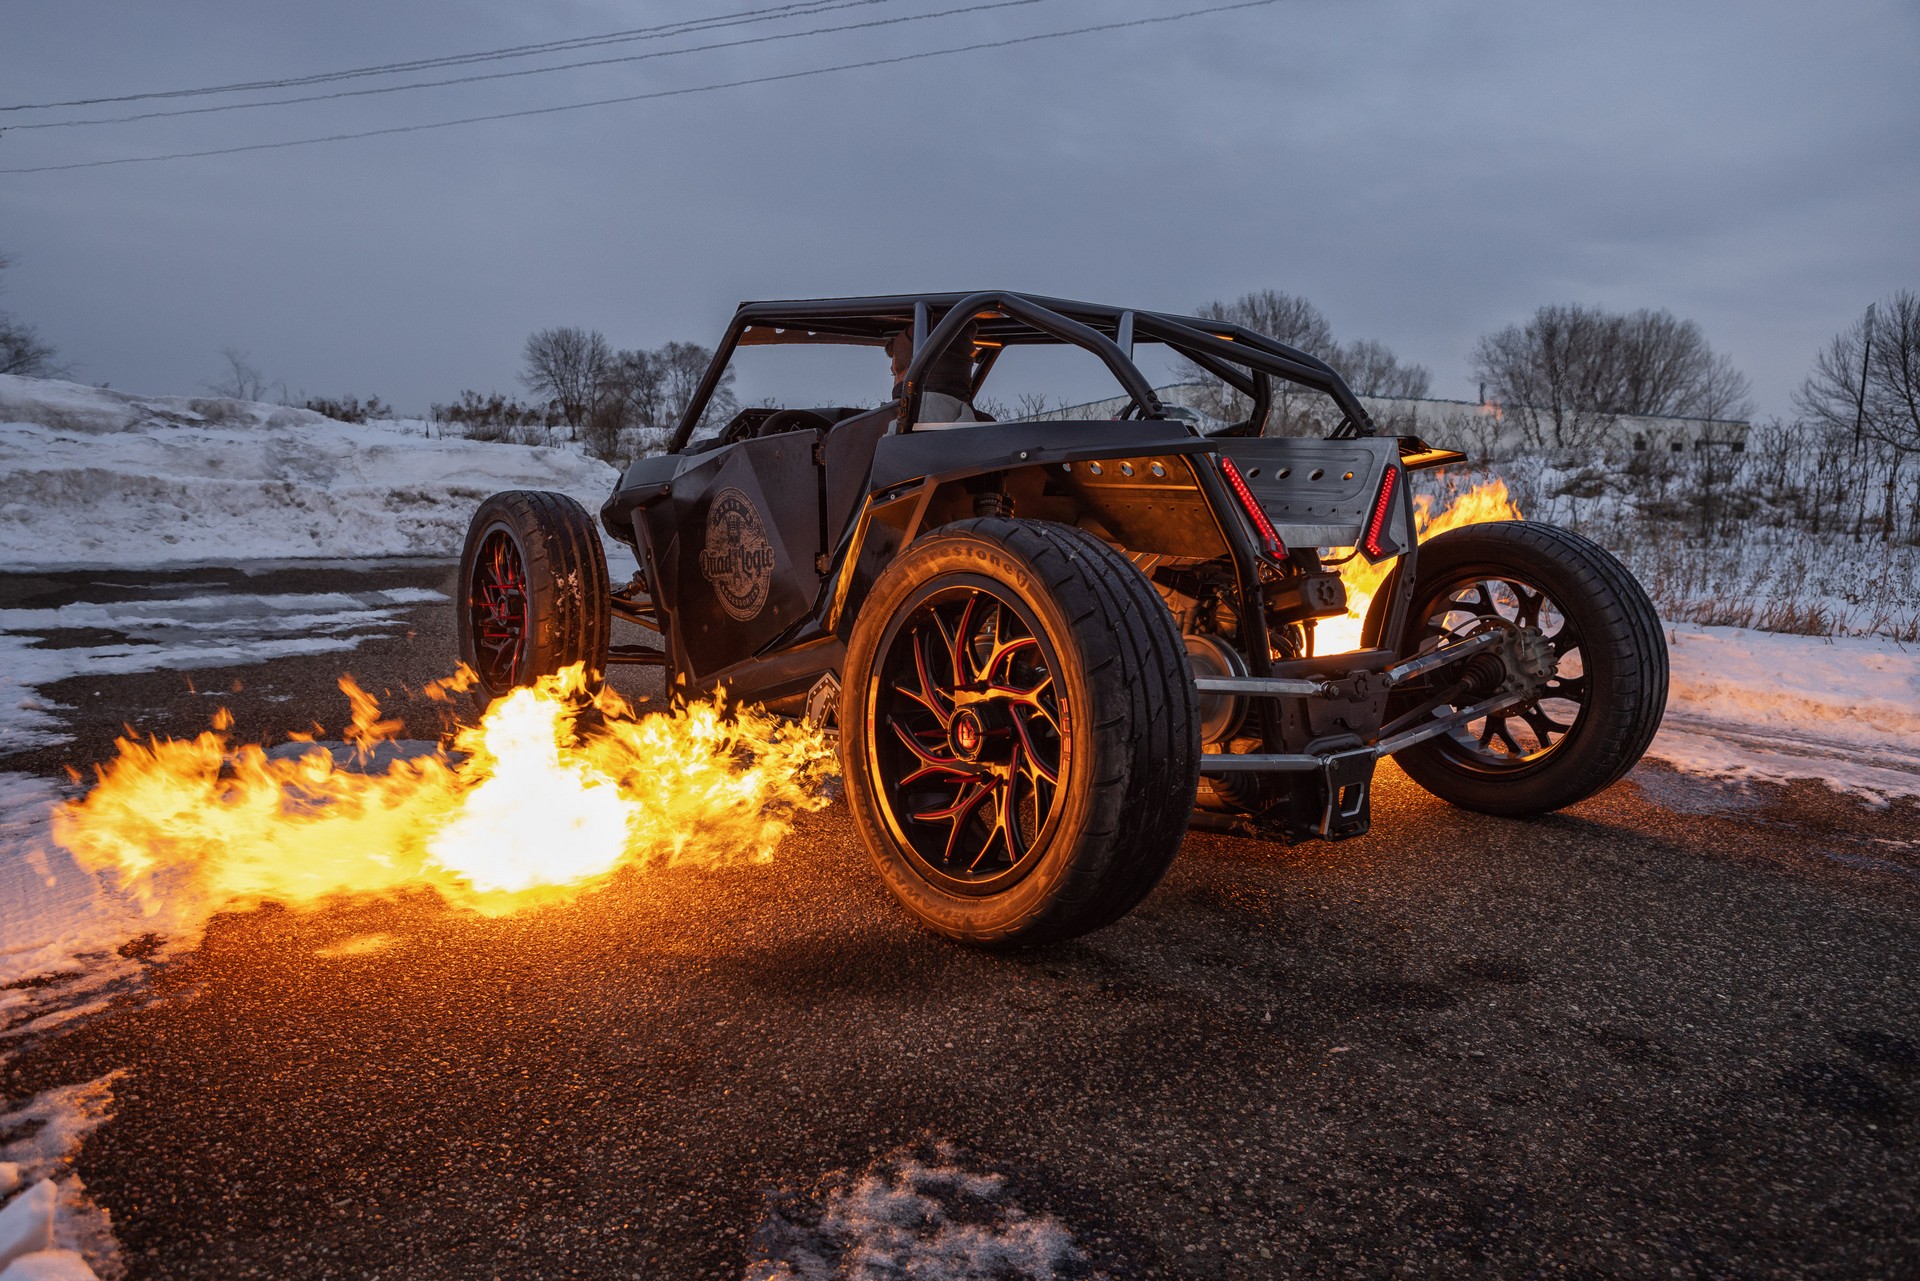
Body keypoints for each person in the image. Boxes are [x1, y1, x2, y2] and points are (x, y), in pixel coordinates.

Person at [889, 325, 979, 425]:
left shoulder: (895, 423)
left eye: (894, 374)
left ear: (914, 373)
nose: (894, 383)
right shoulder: (987, 425)